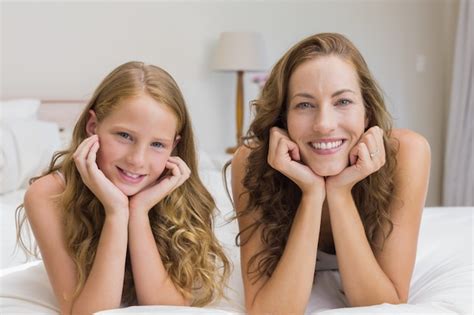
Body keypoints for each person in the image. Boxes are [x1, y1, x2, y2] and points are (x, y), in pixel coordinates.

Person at [230, 33, 431, 313]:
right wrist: (312, 194)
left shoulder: (407, 153)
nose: (324, 124)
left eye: (343, 102)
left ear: (368, 112)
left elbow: (383, 305)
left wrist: (339, 192)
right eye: (304, 104)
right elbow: (268, 310)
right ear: (283, 118)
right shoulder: (251, 160)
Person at [16, 61, 230, 313]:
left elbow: (169, 309)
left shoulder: (181, 194)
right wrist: (116, 212)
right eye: (125, 136)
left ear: (174, 146)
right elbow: (87, 312)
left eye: (158, 145)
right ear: (92, 126)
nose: (137, 160)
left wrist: (138, 212)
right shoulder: (49, 194)